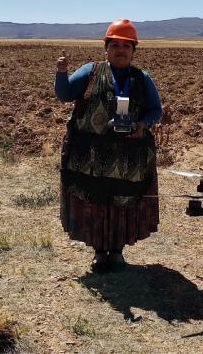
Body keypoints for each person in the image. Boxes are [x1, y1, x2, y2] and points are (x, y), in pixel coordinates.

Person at [54, 19, 163, 272]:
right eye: (115, 45)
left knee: (123, 202)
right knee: (94, 202)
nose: (121, 50)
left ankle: (116, 252)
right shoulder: (90, 72)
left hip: (129, 160)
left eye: (127, 46)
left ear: (134, 51)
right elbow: (64, 95)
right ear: (106, 48)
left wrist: (142, 125)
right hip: (88, 158)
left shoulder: (141, 78)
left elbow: (155, 110)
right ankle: (99, 252)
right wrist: (61, 73)